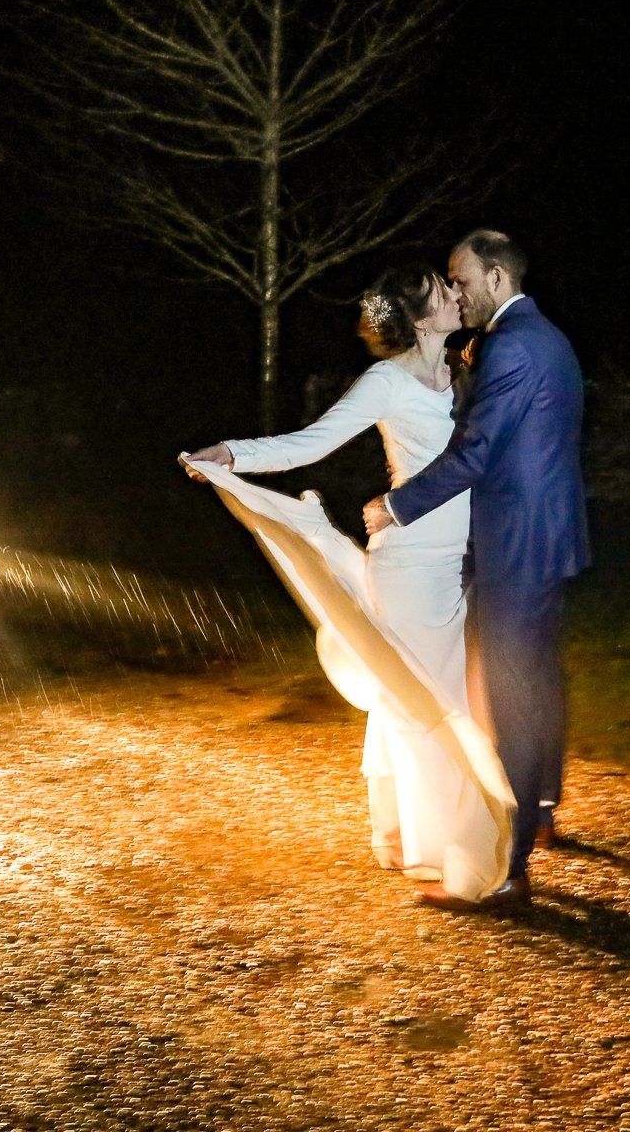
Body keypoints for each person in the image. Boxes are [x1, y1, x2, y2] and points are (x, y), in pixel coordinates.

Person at [186, 262, 501, 896]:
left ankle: (393, 832)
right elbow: (311, 442)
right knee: (425, 701)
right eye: (441, 289)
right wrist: (234, 453)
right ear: (419, 319)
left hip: (451, 563)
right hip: (410, 566)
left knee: (406, 693)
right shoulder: (385, 381)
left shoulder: (460, 371)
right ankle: (438, 850)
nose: (454, 293)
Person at [364, 229, 589, 911]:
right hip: (547, 538)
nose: (456, 293)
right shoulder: (547, 337)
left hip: (516, 545)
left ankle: (506, 870)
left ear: (495, 277)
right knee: (537, 680)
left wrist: (397, 506)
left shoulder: (513, 345)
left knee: (510, 698)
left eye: (461, 281)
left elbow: (476, 453)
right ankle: (542, 808)